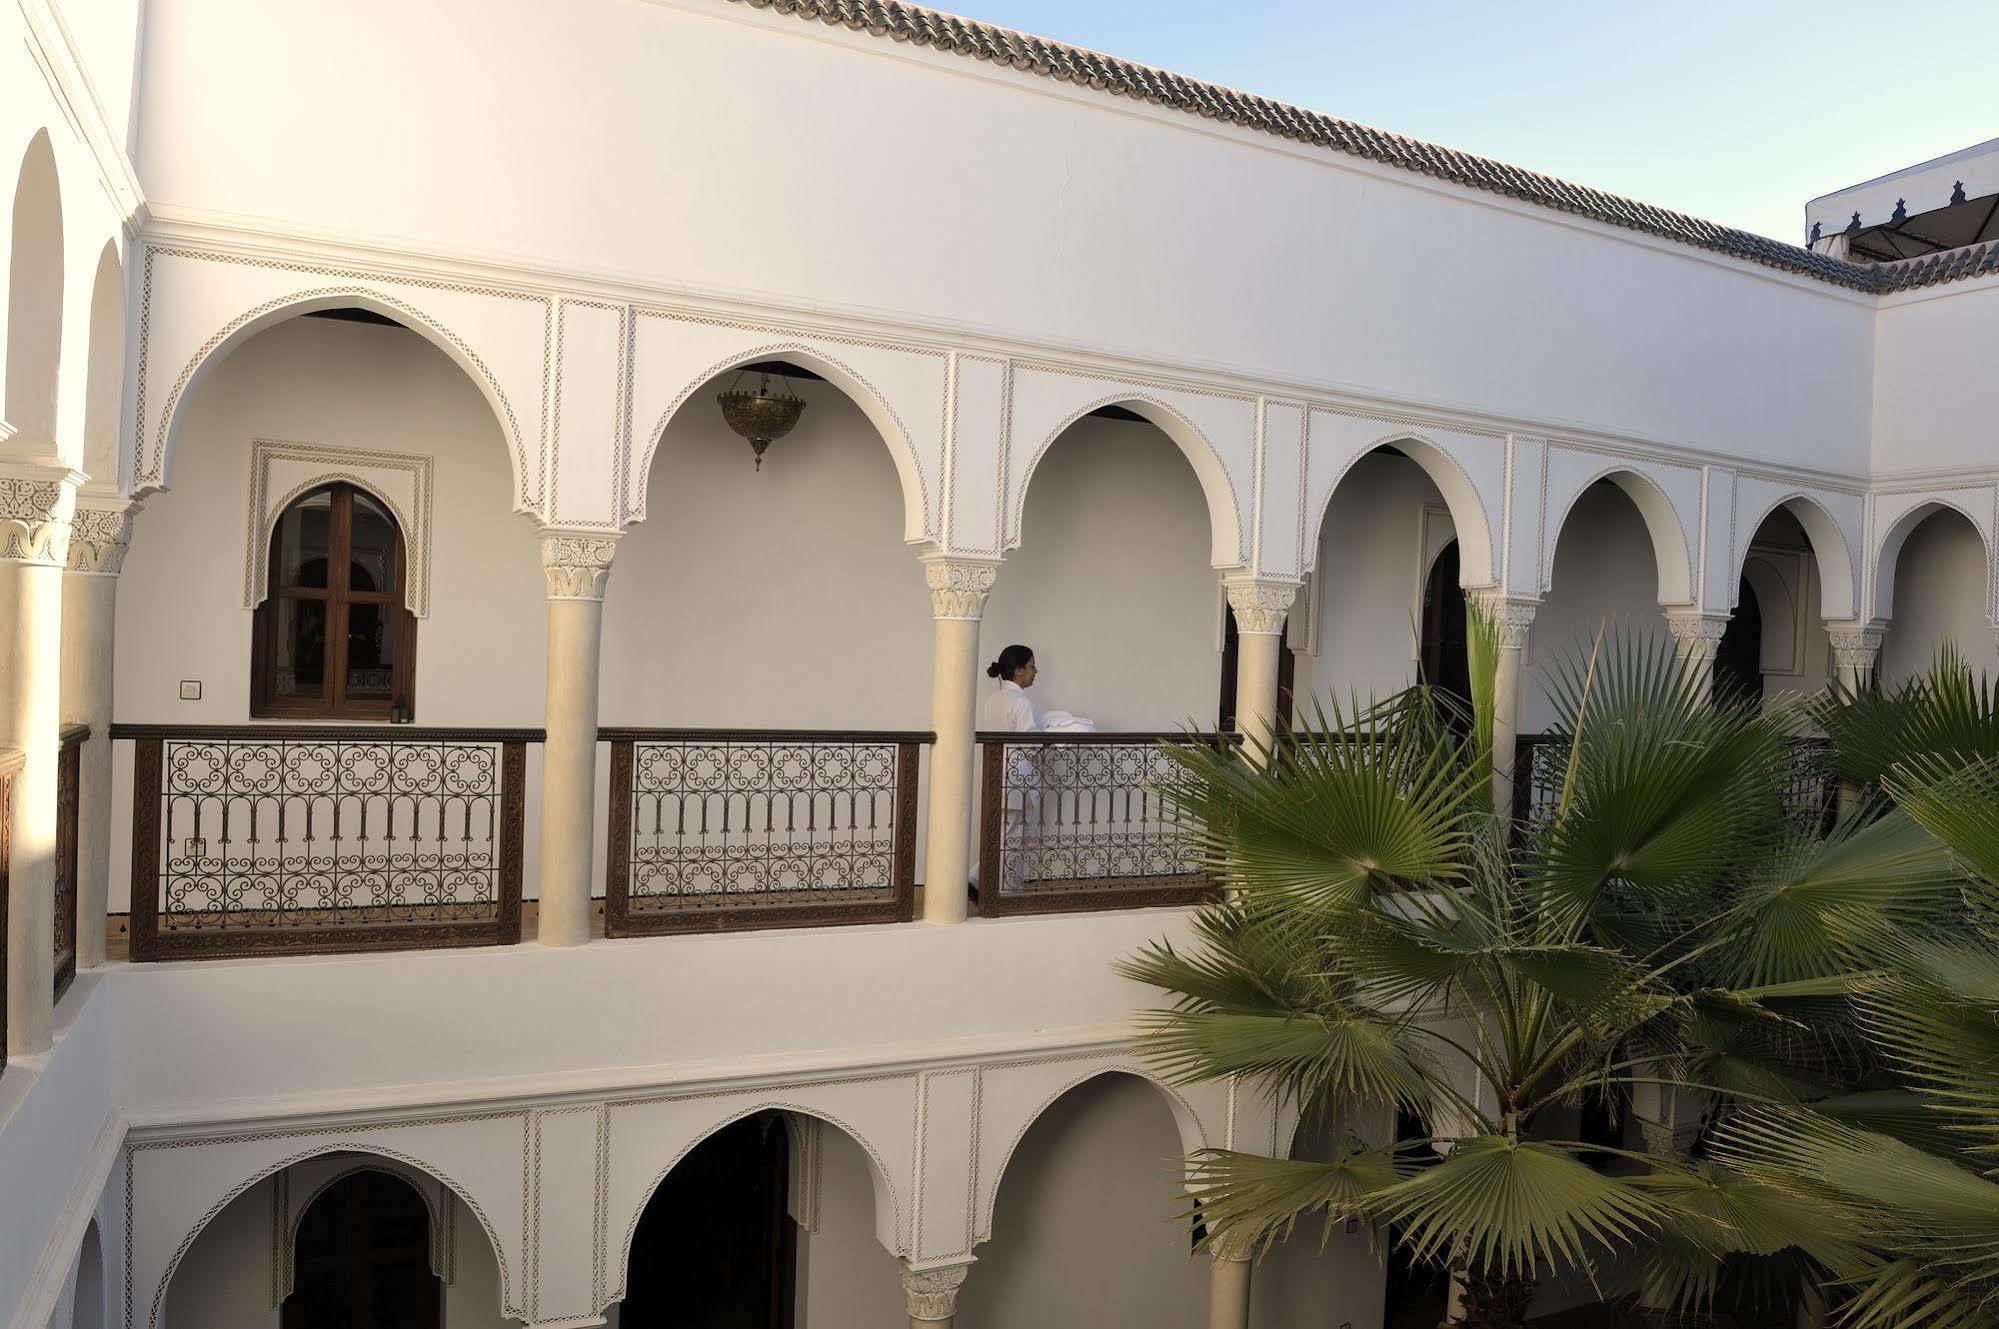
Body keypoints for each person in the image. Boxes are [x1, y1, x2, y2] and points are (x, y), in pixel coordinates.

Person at [980, 645, 1041, 894]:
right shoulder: (1021, 702)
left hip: (995, 770)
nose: (1035, 671)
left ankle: (983, 881)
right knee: (1014, 835)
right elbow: (1030, 743)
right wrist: (1047, 740)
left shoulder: (993, 700)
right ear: (1018, 671)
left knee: (999, 833)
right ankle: (1006, 890)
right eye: (1032, 666)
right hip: (1018, 775)